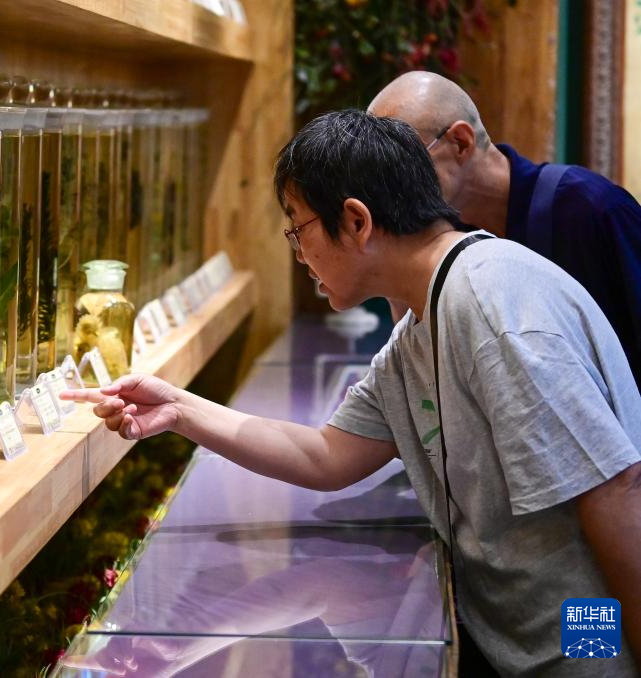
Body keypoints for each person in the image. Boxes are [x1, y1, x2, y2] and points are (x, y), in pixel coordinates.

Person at [62, 110, 641, 677]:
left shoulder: (492, 304)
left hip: (585, 639)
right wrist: (177, 408)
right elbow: (327, 454)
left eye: (298, 228)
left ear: (357, 220)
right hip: (525, 644)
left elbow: (615, 491)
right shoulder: (422, 325)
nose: (298, 253)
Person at [368, 71, 641, 388]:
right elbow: (425, 378)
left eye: (401, 166)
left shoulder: (591, 207)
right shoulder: (434, 238)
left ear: (461, 142)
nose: (391, 189)